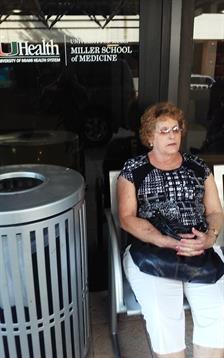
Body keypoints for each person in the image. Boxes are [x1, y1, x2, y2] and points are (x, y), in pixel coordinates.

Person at [117, 102, 224, 358]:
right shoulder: (134, 170)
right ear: (149, 136)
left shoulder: (198, 167)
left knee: (217, 313)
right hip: (152, 253)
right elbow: (127, 218)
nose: (172, 135)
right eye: (163, 130)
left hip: (199, 251)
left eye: (175, 129)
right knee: (165, 318)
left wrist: (209, 238)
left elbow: (215, 212)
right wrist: (165, 241)